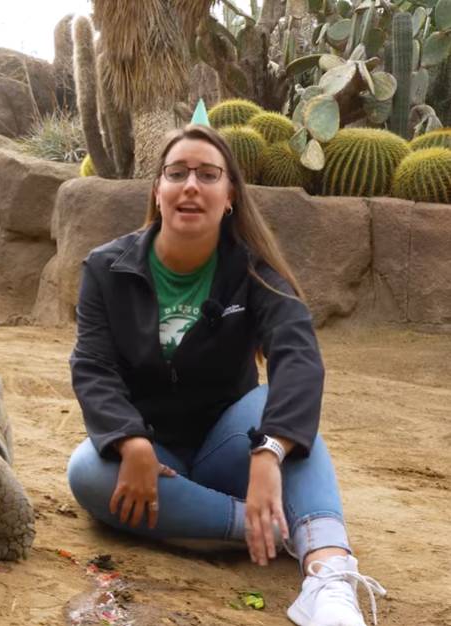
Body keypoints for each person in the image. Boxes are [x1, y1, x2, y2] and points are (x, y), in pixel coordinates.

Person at [65, 125, 386, 626]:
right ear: (158, 190)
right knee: (87, 469)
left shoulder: (254, 272)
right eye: (177, 173)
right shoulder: (106, 268)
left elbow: (298, 355)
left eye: (208, 175)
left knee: (273, 411)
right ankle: (267, 527)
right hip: (152, 456)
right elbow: (92, 366)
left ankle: (330, 575)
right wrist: (130, 441)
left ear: (229, 195)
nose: (191, 185)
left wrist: (268, 451)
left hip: (229, 446)